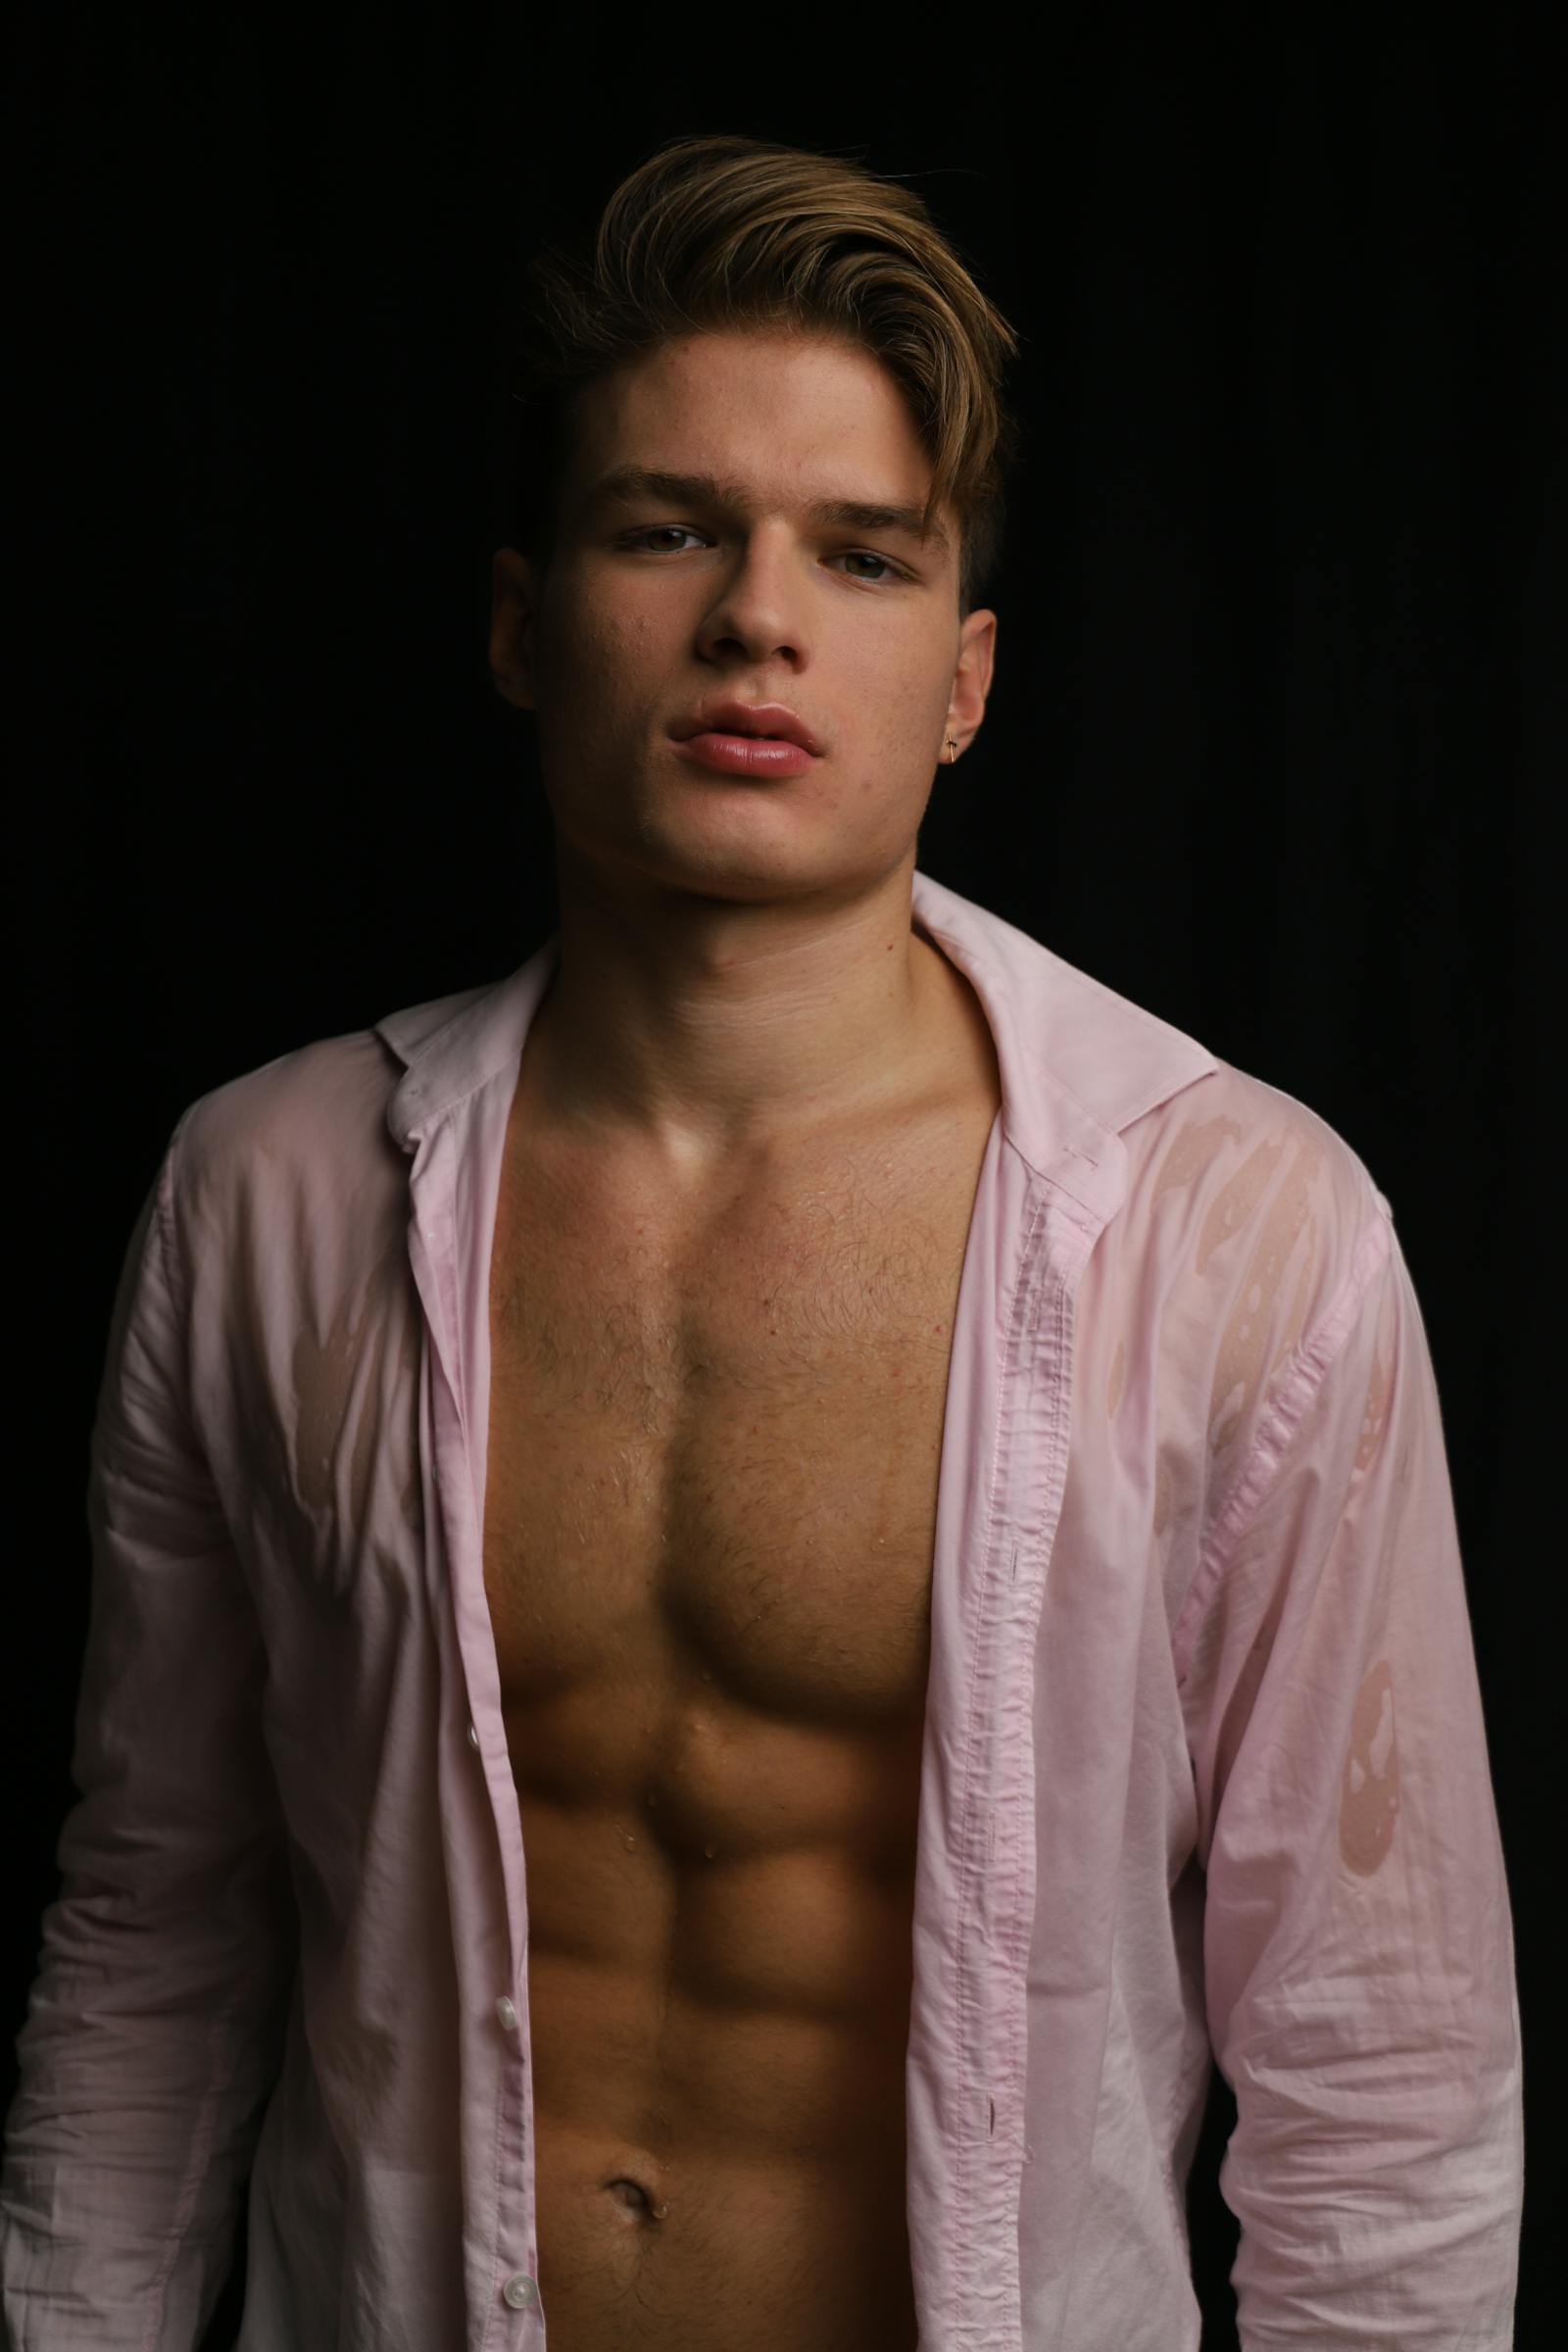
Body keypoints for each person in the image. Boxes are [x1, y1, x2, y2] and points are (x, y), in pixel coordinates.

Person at [2, 133, 1523, 2352]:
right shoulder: (267, 1198)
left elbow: (1381, 2067)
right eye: (668, 528)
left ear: (967, 678)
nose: (756, 618)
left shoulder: (1236, 1229)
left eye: (861, 554)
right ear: (521, 623)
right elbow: (156, 1942)